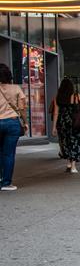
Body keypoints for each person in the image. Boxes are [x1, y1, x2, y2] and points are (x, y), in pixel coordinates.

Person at [0, 63, 27, 191]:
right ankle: (6, 183)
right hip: (12, 122)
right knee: (9, 154)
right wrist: (25, 122)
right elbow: (22, 108)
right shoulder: (16, 88)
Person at [51, 78, 80, 174]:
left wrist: (54, 127)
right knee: (75, 142)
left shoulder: (58, 97)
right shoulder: (76, 96)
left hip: (62, 123)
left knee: (65, 142)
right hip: (75, 123)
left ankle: (69, 163)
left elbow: (56, 113)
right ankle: (73, 166)